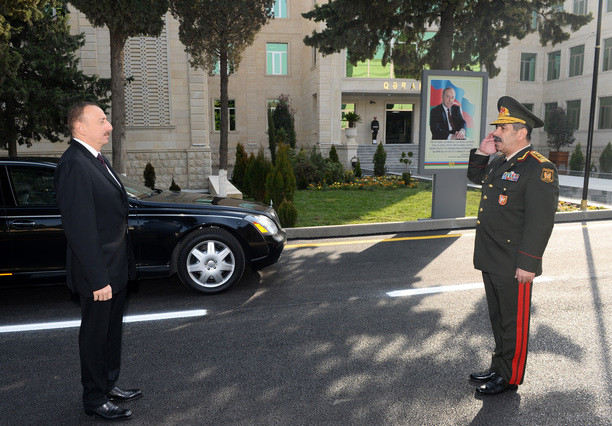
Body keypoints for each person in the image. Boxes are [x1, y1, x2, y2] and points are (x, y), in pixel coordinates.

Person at [467, 96, 559, 395]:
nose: (496, 132)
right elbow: (475, 176)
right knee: (498, 319)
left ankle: (510, 377)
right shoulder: (502, 161)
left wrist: (528, 263)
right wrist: (482, 152)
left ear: (521, 132)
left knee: (514, 323)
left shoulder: (538, 168)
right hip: (492, 257)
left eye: (502, 127)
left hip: (513, 261)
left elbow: (540, 221)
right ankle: (498, 367)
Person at [55, 102, 140, 420]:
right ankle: (94, 398)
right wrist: (98, 279)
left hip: (114, 267)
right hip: (98, 273)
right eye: (102, 120)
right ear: (80, 127)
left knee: (111, 332)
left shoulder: (95, 159)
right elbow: (80, 229)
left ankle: (107, 384)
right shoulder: (74, 164)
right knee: (95, 335)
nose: (109, 125)